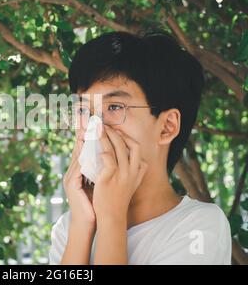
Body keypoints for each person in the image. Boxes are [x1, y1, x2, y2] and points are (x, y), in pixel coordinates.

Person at [49, 31, 231, 265]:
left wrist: (112, 217)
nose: (95, 127)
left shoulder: (200, 228)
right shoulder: (70, 228)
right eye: (84, 110)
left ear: (167, 127)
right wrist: (83, 224)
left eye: (114, 107)